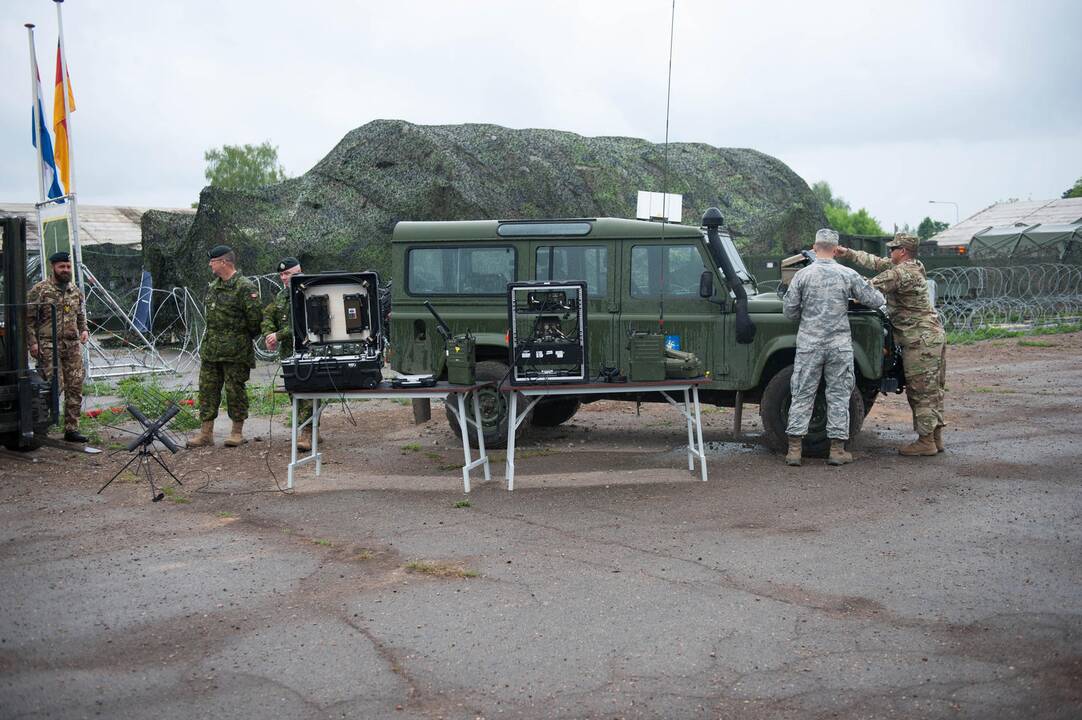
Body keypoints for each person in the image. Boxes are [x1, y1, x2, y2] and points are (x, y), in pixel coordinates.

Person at [835, 232, 946, 456]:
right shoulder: (914, 266)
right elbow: (877, 262)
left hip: (920, 340)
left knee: (921, 391)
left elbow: (865, 288)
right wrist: (847, 254)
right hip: (930, 336)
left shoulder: (902, 273)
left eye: (893, 249)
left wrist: (830, 284)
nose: (890, 252)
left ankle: (926, 442)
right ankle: (935, 437)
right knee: (933, 390)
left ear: (902, 251)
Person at [783, 229, 885, 466]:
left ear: (814, 247)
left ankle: (795, 450)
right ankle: (837, 450)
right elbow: (876, 300)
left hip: (810, 345)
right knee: (839, 395)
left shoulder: (802, 276)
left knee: (802, 393)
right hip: (839, 346)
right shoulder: (847, 274)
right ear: (836, 249)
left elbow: (789, 311)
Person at [188, 245, 263, 448]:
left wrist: (236, 338)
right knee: (207, 390)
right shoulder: (214, 286)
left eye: (213, 261)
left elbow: (256, 321)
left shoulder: (244, 287)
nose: (209, 264)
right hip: (211, 351)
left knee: (234, 391)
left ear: (224, 262)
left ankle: (236, 432)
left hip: (235, 352)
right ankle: (206, 433)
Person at [26, 251, 89, 442]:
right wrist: (33, 343)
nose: (66, 270)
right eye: (62, 267)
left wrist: (84, 329)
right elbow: (28, 319)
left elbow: (80, 314)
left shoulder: (75, 291)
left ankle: (71, 429)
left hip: (71, 345)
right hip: (48, 345)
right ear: (53, 267)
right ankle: (40, 427)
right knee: (52, 385)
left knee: (75, 385)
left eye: (68, 267)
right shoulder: (40, 290)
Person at [261, 256, 313, 451]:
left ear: (298, 272)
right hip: (288, 352)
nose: (283, 277)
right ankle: (309, 428)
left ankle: (307, 432)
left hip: (308, 349)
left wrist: (278, 335)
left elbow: (303, 324)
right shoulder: (282, 296)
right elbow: (268, 315)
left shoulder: (309, 292)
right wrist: (268, 335)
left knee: (307, 390)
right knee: (294, 390)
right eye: (281, 274)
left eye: (287, 273)